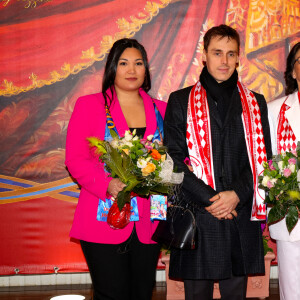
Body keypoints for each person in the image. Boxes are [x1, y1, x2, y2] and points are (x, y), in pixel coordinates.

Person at [164, 24, 272, 300]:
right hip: (199, 216)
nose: (224, 61)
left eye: (230, 54)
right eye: (217, 53)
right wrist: (213, 200)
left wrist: (236, 194)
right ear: (204, 55)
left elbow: (264, 161)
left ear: (238, 57)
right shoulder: (180, 101)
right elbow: (172, 162)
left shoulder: (255, 103)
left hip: (239, 214)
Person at [65, 38, 167, 300]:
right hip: (103, 216)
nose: (131, 70)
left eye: (138, 63)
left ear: (146, 70)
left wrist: (165, 175)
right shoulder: (89, 106)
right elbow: (75, 159)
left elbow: (176, 160)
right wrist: (106, 184)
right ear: (112, 67)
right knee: (111, 294)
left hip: (148, 220)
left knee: (142, 293)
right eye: (123, 63)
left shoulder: (162, 110)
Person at [267, 41, 300, 300]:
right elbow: (263, 162)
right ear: (292, 71)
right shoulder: (274, 110)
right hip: (292, 215)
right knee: (292, 289)